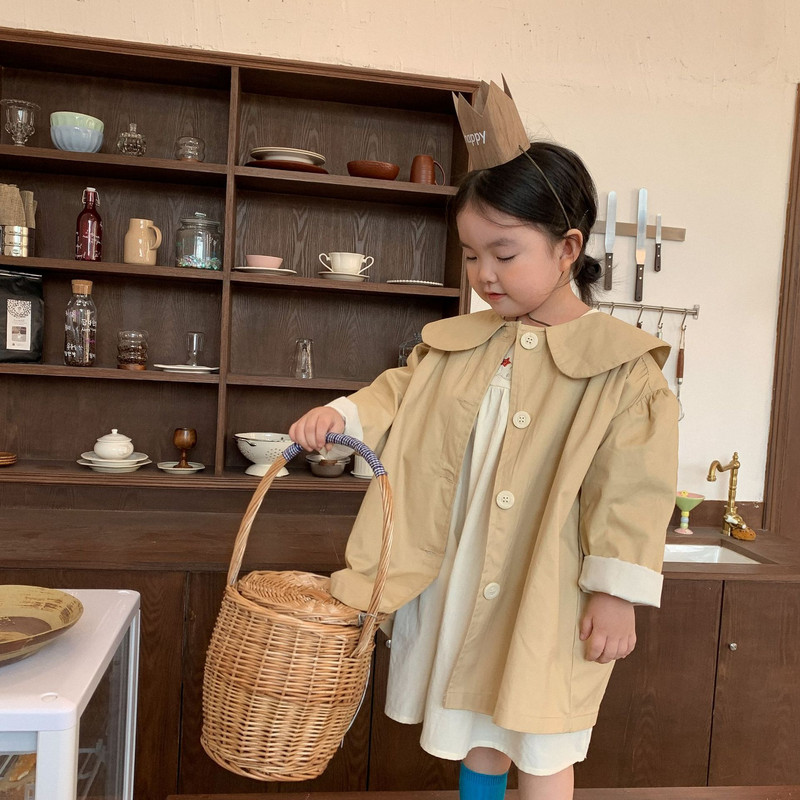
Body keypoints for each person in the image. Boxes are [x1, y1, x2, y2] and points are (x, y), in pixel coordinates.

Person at [289, 141, 679, 800]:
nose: (484, 274)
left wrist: (616, 593)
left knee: (541, 732)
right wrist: (341, 417)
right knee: (476, 725)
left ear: (566, 248)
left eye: (503, 254)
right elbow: (395, 395)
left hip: (547, 587)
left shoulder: (621, 368)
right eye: (471, 256)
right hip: (459, 575)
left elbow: (633, 490)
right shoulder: (456, 346)